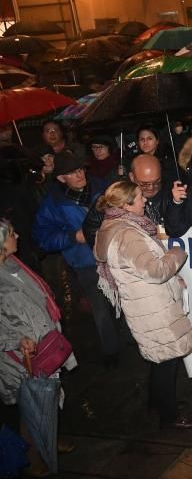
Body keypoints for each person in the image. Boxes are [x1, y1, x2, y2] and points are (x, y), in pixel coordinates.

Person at [93, 181, 192, 430]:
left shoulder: (114, 226)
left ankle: (157, 403)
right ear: (126, 205)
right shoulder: (128, 235)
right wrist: (177, 253)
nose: (145, 201)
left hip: (144, 305)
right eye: (140, 197)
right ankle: (170, 416)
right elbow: (156, 270)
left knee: (158, 358)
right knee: (167, 360)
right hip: (153, 306)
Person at [0, 220, 78, 477]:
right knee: (31, 406)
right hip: (19, 358)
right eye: (11, 233)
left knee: (50, 397)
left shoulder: (13, 265)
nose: (17, 235)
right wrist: (15, 341)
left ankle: (51, 439)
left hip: (45, 347)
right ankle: (34, 458)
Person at [33, 151, 119, 366]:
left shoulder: (101, 187)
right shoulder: (53, 203)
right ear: (62, 178)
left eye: (81, 169)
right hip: (86, 262)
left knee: (125, 297)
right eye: (72, 172)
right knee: (99, 305)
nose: (80, 174)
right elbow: (43, 237)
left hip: (115, 254)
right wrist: (73, 236)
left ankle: (132, 336)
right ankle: (111, 350)